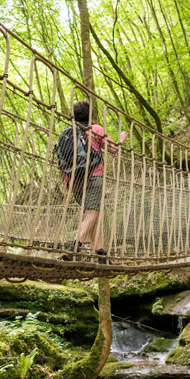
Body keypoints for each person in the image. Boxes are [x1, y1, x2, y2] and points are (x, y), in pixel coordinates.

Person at [60, 101, 127, 264]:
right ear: (90, 116)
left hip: (74, 180)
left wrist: (67, 183)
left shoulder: (67, 133)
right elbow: (113, 149)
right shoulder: (95, 129)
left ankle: (101, 255)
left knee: (91, 217)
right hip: (93, 176)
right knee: (92, 215)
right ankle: (74, 248)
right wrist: (121, 140)